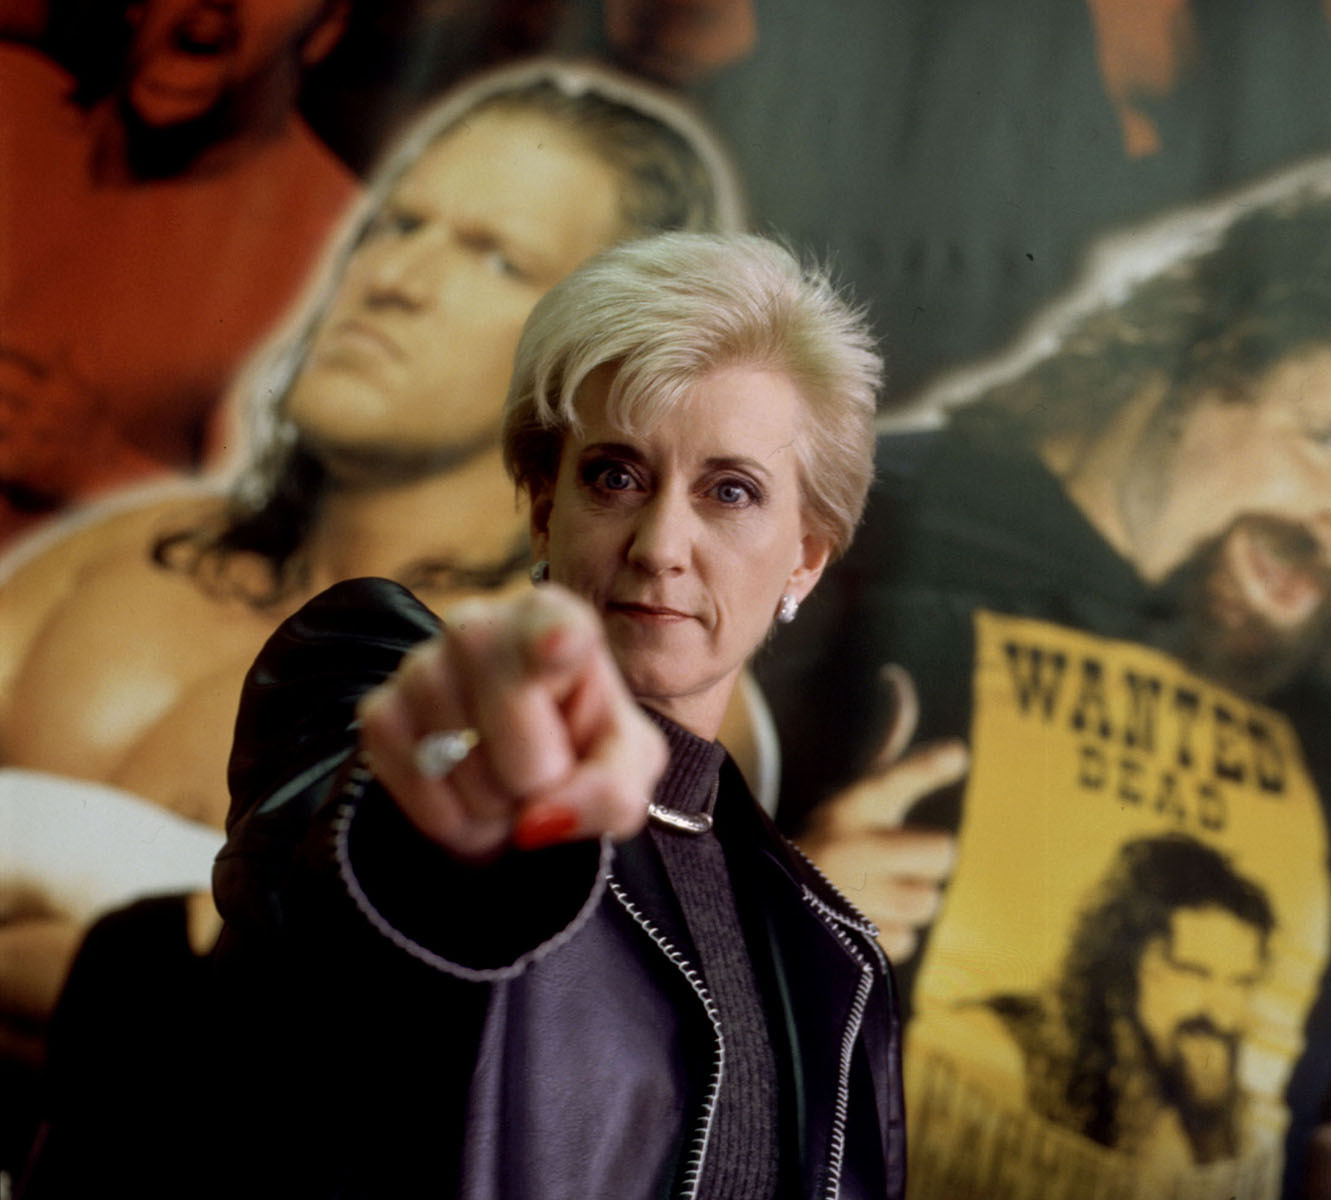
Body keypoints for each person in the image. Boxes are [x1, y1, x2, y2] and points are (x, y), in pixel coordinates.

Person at [759, 157, 1331, 1199]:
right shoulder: (832, 537)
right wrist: (773, 913)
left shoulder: (1321, 715)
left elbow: (1319, 1132)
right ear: (1176, 361)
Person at [0, 58, 741, 1165]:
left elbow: (426, 1070)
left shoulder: (616, 659)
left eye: (495, 255)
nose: (394, 277)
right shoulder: (126, 553)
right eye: (398, 225)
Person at [197, 231, 900, 1198]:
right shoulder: (369, 674)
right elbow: (347, 881)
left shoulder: (834, 958)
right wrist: (460, 805)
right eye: (615, 476)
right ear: (542, 509)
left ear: (806, 559)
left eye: (730, 491)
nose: (661, 545)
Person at [0, 0, 362, 543]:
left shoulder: (334, 254)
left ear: (324, 28)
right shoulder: (16, 98)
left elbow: (315, 558)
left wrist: (100, 472)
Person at [981, 835, 1275, 1172]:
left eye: (1240, 982)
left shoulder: (1214, 1100)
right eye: (1192, 973)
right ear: (1121, 966)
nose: (1220, 1013)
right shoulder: (1001, 1043)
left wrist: (1210, 1130)